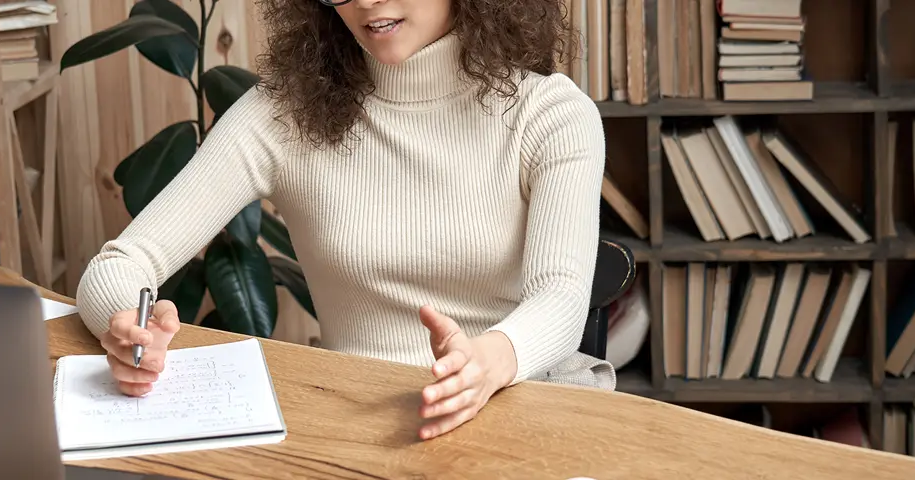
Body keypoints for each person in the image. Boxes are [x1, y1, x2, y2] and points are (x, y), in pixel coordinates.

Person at [77, 0, 613, 440]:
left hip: (513, 404)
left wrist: (487, 363)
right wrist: (125, 328)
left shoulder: (549, 115)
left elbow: (562, 296)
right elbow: (121, 264)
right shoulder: (284, 113)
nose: (364, 1)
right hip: (351, 422)